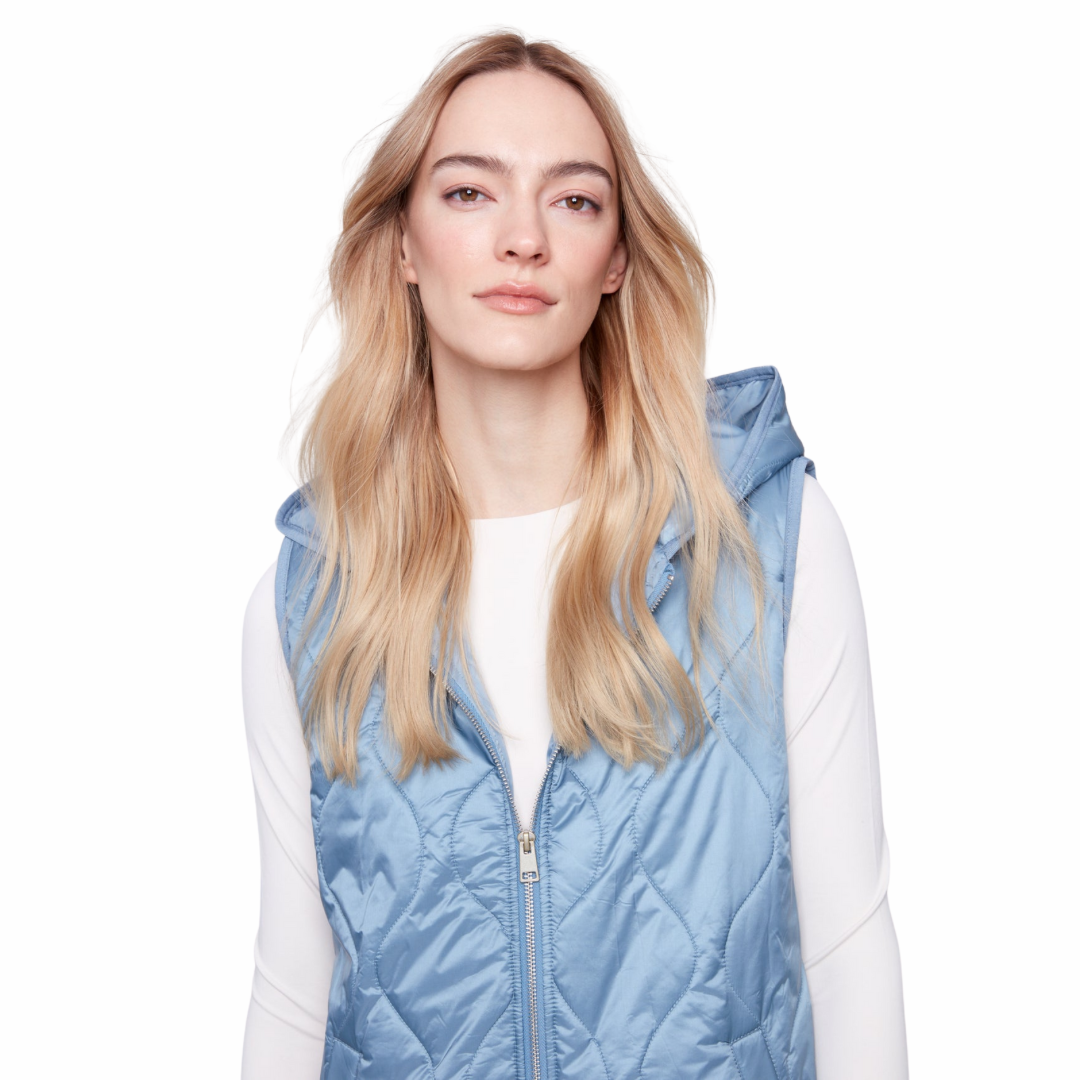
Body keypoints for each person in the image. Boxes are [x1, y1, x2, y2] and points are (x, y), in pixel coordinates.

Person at [240, 31, 908, 1080]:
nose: (523, 239)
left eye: (575, 200)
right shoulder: (317, 599)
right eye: (470, 192)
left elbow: (847, 949)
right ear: (404, 244)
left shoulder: (763, 542)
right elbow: (293, 991)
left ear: (618, 261)